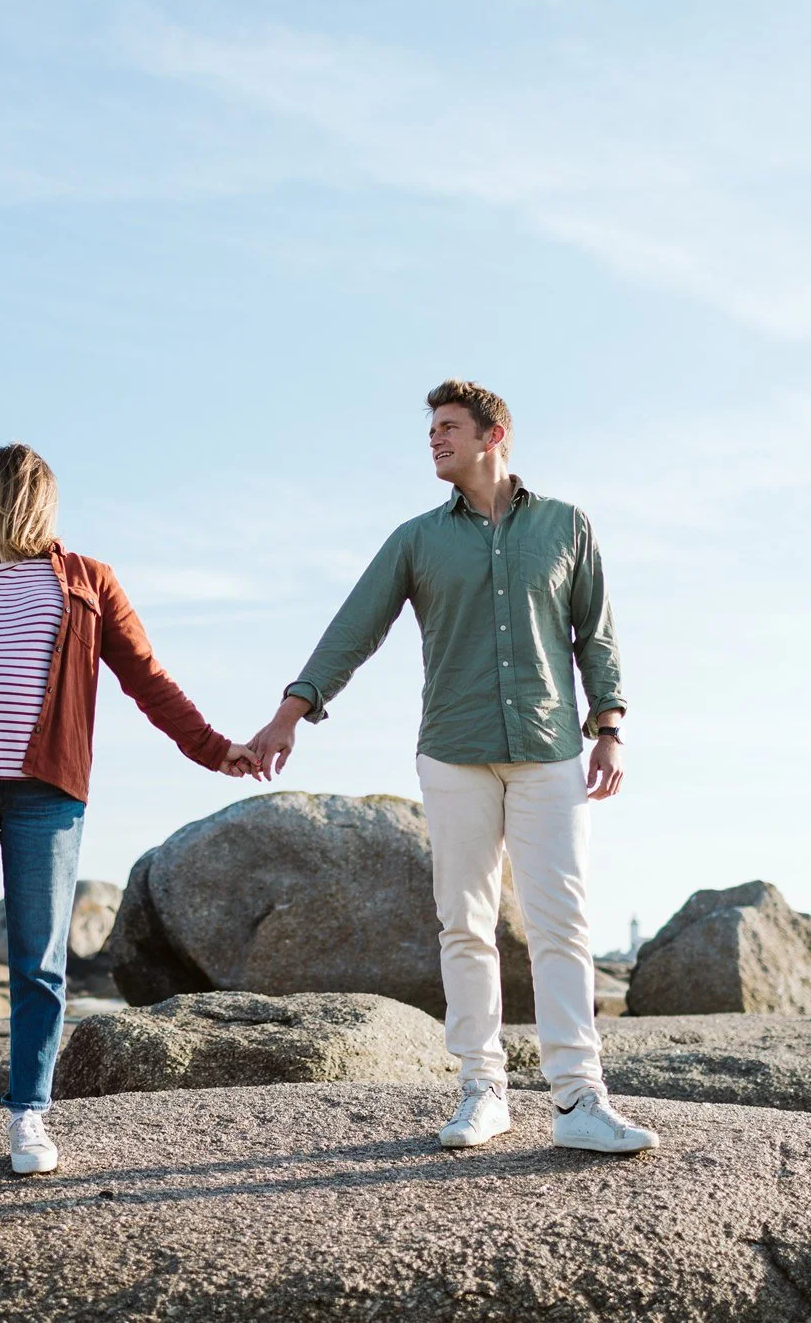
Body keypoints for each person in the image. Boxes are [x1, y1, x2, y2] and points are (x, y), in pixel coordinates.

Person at [247, 380, 657, 1155]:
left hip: (551, 751)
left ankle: (578, 1098)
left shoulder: (566, 525)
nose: (434, 440)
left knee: (560, 922)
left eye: (448, 428)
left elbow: (595, 636)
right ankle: (482, 1090)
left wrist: (610, 727)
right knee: (465, 923)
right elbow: (353, 628)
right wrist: (290, 713)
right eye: (431, 429)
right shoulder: (417, 539)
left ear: (492, 435)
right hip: (453, 752)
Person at [0, 441, 257, 1181]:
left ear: (13, 497)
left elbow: (147, 678)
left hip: (45, 795)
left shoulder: (87, 581)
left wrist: (217, 749)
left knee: (40, 963)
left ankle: (29, 1111)